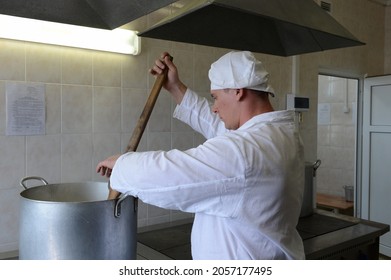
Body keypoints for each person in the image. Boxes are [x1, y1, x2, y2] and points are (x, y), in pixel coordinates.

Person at [96, 50, 305, 260]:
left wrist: (122, 164)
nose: (214, 108)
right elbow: (220, 128)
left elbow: (171, 175)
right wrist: (176, 87)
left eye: (215, 97)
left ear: (238, 92)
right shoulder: (278, 135)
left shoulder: (246, 151)